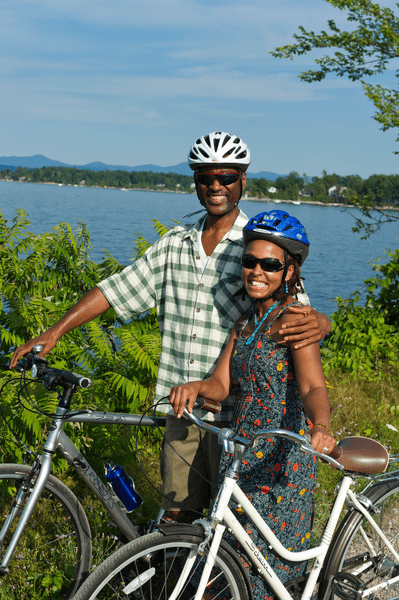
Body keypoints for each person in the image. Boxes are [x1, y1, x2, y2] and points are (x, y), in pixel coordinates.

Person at [10, 132, 330, 524]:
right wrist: (54, 332)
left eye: (226, 176)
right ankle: (170, 584)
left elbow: (298, 315)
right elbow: (116, 289)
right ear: (195, 182)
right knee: (178, 513)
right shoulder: (174, 244)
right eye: (205, 177)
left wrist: (324, 322)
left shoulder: (257, 243)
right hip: (184, 409)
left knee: (231, 524)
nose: (216, 186)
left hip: (241, 417)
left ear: (242, 181)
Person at [169, 210, 335, 599]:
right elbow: (221, 385)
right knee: (227, 556)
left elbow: (312, 386)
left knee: (268, 566)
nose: (257, 271)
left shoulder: (296, 320)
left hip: (282, 456)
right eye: (249, 261)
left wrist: (321, 426)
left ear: (289, 272)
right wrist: (195, 386)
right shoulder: (244, 323)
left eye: (270, 264)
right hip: (242, 453)